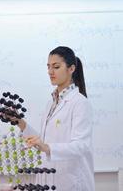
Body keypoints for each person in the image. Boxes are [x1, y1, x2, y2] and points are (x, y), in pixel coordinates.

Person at [17, 46, 94, 191]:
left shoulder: (80, 103)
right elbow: (43, 141)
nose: (50, 72)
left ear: (71, 69)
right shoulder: (51, 103)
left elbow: (81, 145)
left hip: (71, 183)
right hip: (50, 181)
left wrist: (47, 147)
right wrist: (19, 122)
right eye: (48, 67)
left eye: (56, 67)